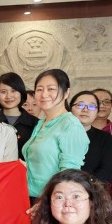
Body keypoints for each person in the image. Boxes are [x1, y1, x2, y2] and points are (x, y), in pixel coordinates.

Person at [22, 69, 89, 200]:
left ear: (66, 92)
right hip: (29, 196)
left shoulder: (70, 124)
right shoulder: (41, 123)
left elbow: (69, 175)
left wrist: (45, 203)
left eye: (51, 89)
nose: (44, 94)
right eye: (39, 89)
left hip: (50, 200)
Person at [69, 90, 112, 184]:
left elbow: (107, 171)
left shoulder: (105, 138)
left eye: (91, 106)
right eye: (80, 105)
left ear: (97, 112)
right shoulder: (58, 133)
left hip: (91, 190)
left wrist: (84, 187)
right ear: (70, 108)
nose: (85, 110)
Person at [0, 72, 38, 159]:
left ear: (21, 92)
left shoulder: (36, 124)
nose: (9, 96)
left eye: (13, 91)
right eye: (3, 92)